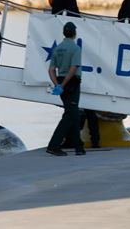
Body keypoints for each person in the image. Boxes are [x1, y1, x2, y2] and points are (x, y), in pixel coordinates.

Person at [46, 22, 85, 157]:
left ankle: (79, 148)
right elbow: (74, 68)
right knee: (70, 115)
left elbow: (51, 70)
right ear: (74, 33)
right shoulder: (75, 48)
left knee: (73, 113)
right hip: (72, 83)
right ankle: (53, 145)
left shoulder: (57, 49)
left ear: (64, 33)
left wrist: (57, 84)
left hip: (61, 81)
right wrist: (63, 85)